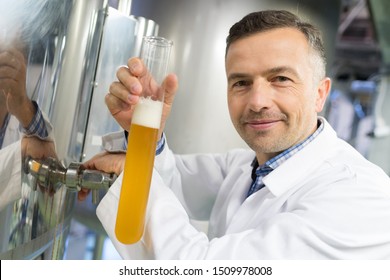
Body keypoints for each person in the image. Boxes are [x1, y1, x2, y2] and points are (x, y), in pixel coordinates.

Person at [81, 10, 390, 259]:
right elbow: (174, 184)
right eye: (241, 82)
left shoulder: (359, 196)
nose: (257, 102)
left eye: (280, 78)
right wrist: (145, 137)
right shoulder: (250, 165)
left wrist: (129, 168)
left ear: (320, 93)